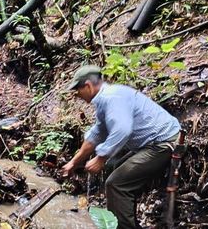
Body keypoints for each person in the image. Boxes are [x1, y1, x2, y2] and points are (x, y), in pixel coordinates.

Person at [60, 65, 182, 229]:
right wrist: (73, 163)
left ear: (88, 86)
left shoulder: (112, 97)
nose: (77, 95)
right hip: (150, 144)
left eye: (77, 90)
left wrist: (101, 158)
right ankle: (129, 220)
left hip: (164, 143)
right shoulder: (106, 99)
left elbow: (122, 129)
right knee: (113, 166)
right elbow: (97, 134)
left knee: (115, 184)